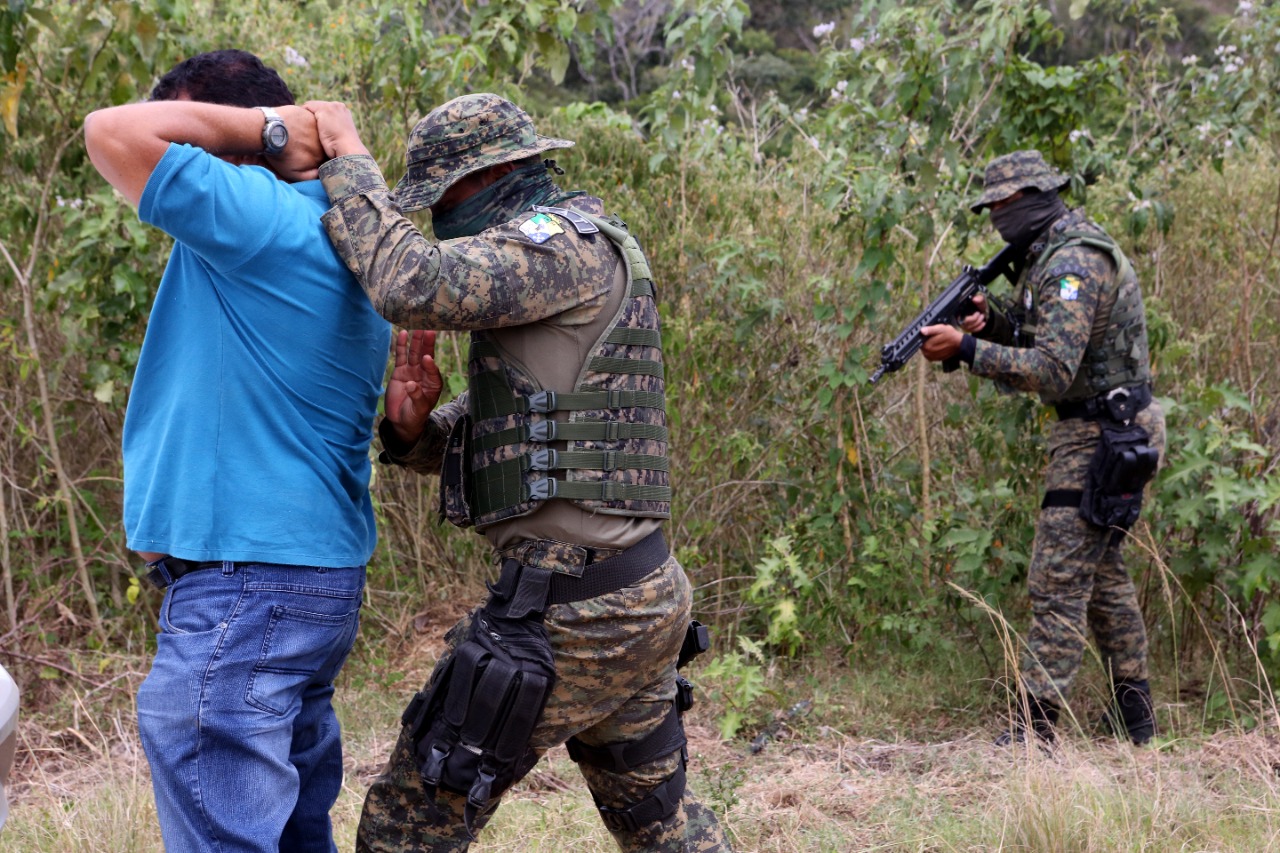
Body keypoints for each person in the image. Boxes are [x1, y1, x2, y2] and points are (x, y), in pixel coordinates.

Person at [305, 93, 732, 851]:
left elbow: (412, 282)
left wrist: (346, 159)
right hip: (627, 592)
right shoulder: (572, 255)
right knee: (659, 826)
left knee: (408, 821)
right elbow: (532, 438)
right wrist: (414, 428)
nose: (438, 216)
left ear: (497, 171)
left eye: (445, 196)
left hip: (578, 609)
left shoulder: (557, 245)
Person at [84, 50, 391, 851]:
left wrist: (269, 133)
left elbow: (109, 133)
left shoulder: (258, 212)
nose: (176, 157)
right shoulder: (349, 236)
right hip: (304, 584)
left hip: (244, 588)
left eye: (190, 132)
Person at [920, 149, 1165, 747]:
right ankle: (1138, 723)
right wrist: (992, 324)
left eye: (1002, 206)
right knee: (1103, 580)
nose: (997, 219)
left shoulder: (1072, 262)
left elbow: (1055, 369)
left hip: (1105, 433)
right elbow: (1051, 337)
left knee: (1056, 580)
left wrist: (967, 351)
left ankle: (1035, 732)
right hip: (1105, 427)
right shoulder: (1054, 251)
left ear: (1031, 199)